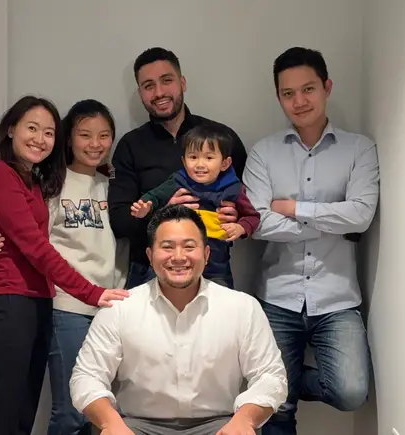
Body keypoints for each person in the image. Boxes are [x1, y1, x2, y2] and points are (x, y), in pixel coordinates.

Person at [242, 47, 379, 435]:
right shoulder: (263, 152)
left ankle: (286, 382)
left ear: (327, 87)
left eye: (308, 89)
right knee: (275, 410)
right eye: (288, 93)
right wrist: (332, 216)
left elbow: (361, 216)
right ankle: (281, 388)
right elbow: (257, 223)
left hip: (337, 298)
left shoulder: (359, 149)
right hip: (277, 295)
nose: (299, 101)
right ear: (279, 97)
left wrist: (292, 207)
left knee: (352, 391)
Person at [0, 95, 129, 435]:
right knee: (8, 411)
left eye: (47, 132)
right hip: (18, 300)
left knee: (22, 411)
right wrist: (91, 292)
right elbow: (35, 244)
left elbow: (22, 235)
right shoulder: (4, 174)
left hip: (39, 301)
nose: (39, 139)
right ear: (11, 129)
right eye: (32, 128)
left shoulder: (32, 178)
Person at [70, 205, 288, 435]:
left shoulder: (242, 307)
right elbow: (87, 376)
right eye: (167, 247)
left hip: (219, 426)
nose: (179, 257)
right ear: (150, 256)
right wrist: (110, 422)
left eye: (189, 246)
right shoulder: (120, 309)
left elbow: (270, 375)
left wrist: (245, 419)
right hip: (137, 426)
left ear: (206, 255)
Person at [108, 47, 248, 289]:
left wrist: (238, 216)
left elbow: (253, 203)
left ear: (182, 82)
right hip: (149, 271)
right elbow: (120, 221)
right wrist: (163, 212)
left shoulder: (222, 138)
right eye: (148, 85)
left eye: (167, 80)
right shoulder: (130, 145)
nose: (159, 92)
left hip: (213, 269)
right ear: (140, 92)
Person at [129, 122, 260, 288]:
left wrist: (241, 228)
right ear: (184, 161)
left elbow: (253, 217)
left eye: (209, 157)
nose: (199, 164)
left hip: (216, 268)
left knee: (221, 307)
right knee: (153, 299)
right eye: (193, 157)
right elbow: (154, 196)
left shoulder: (233, 188)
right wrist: (145, 208)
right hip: (174, 263)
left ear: (225, 163)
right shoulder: (178, 181)